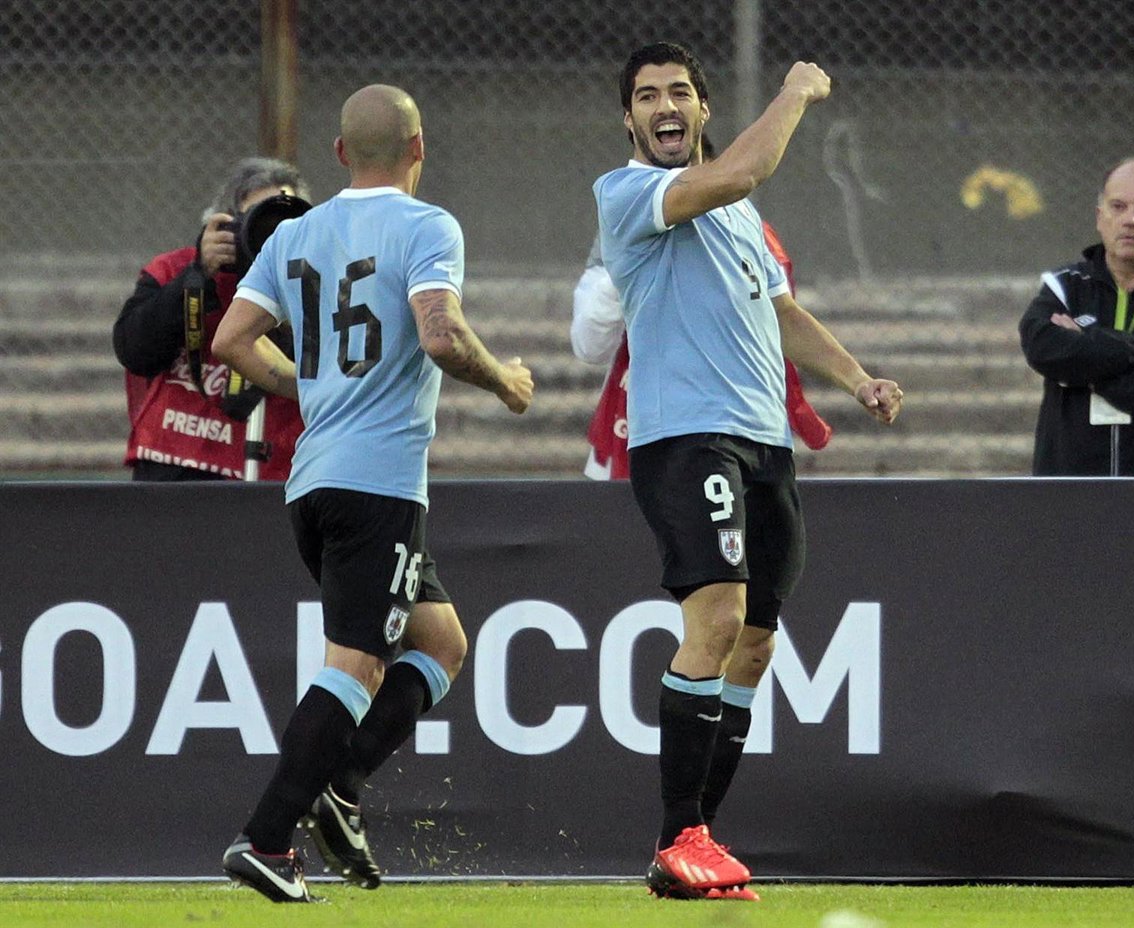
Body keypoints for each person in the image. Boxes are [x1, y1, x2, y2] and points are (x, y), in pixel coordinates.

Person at [593, 42, 902, 901]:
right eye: (647, 96)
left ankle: (697, 839)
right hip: (688, 438)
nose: (665, 106)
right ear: (628, 120)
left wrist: (856, 378)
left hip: (766, 445)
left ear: (702, 109)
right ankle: (677, 838)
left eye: (679, 92)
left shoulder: (738, 218)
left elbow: (780, 310)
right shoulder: (629, 193)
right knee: (719, 618)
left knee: (756, 643)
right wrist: (796, 91)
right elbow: (740, 171)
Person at [211, 83, 533, 902]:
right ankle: (266, 839)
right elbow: (441, 334)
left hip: (314, 481)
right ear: (420, 147)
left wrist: (310, 385)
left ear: (339, 154)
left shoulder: (296, 233)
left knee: (442, 642)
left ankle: (341, 784)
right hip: (376, 484)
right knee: (356, 665)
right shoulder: (428, 226)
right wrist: (505, 381)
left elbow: (232, 340)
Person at [572, 216, 832, 479]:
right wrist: (628, 266)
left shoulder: (749, 233)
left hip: (730, 426)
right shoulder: (627, 224)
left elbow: (779, 326)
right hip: (637, 427)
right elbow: (589, 347)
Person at [113, 157, 310, 480]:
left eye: (284, 224)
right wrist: (198, 275)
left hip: (272, 465)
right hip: (175, 455)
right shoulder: (175, 269)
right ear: (227, 225)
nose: (272, 236)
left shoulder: (315, 279)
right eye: (258, 219)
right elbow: (133, 351)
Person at [1019, 156, 1134, 476]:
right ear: (1099, 218)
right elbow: (1042, 346)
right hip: (1070, 491)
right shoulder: (1066, 288)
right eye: (1118, 207)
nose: (1131, 220)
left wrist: (1086, 367)